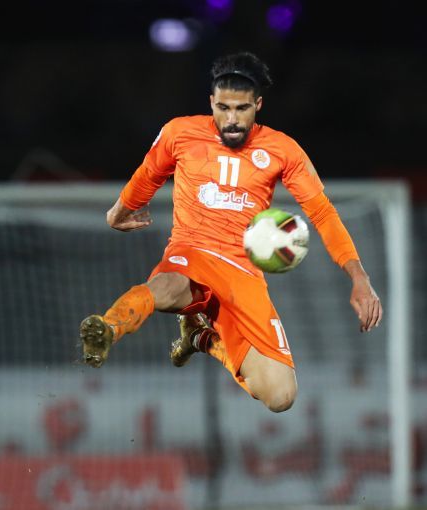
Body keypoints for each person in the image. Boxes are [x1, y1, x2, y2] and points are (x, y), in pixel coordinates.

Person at [80, 52, 382, 413]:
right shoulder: (180, 133)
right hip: (191, 252)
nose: (232, 119)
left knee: (281, 396)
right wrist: (118, 211)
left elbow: (322, 212)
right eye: (223, 108)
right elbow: (149, 175)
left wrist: (358, 276)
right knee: (166, 287)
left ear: (258, 105)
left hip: (242, 272)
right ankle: (107, 328)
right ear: (211, 102)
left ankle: (201, 338)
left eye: (241, 109)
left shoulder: (283, 150)